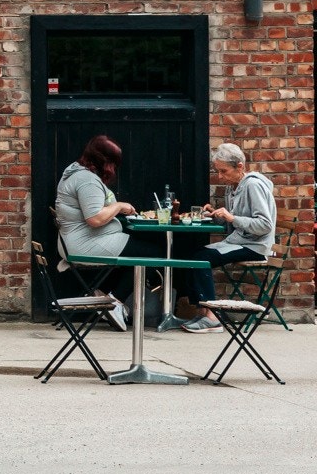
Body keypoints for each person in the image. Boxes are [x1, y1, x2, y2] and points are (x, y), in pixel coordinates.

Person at [52, 135, 165, 331]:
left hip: (81, 240)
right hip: (86, 243)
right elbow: (95, 218)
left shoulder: (76, 173)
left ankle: (103, 295)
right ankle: (115, 303)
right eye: (113, 162)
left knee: (139, 253)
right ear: (105, 161)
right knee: (151, 254)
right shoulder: (86, 180)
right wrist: (119, 206)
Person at [178, 142, 277, 334]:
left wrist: (232, 217)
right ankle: (202, 312)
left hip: (255, 246)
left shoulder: (253, 186)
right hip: (239, 241)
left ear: (239, 166)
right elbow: (234, 224)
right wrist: (216, 215)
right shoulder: (233, 188)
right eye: (218, 171)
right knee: (191, 257)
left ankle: (212, 317)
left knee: (200, 260)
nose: (220, 176)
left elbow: (265, 225)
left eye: (224, 171)